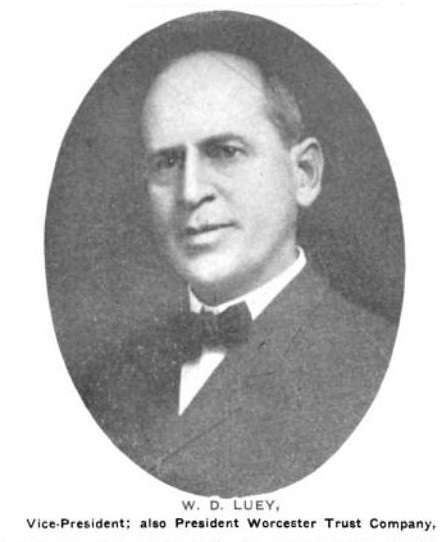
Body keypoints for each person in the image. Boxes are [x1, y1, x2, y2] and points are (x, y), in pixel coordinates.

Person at [83, 48, 396, 497]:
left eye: (226, 152)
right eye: (168, 162)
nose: (190, 192)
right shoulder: (104, 384)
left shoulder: (380, 366)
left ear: (304, 174)